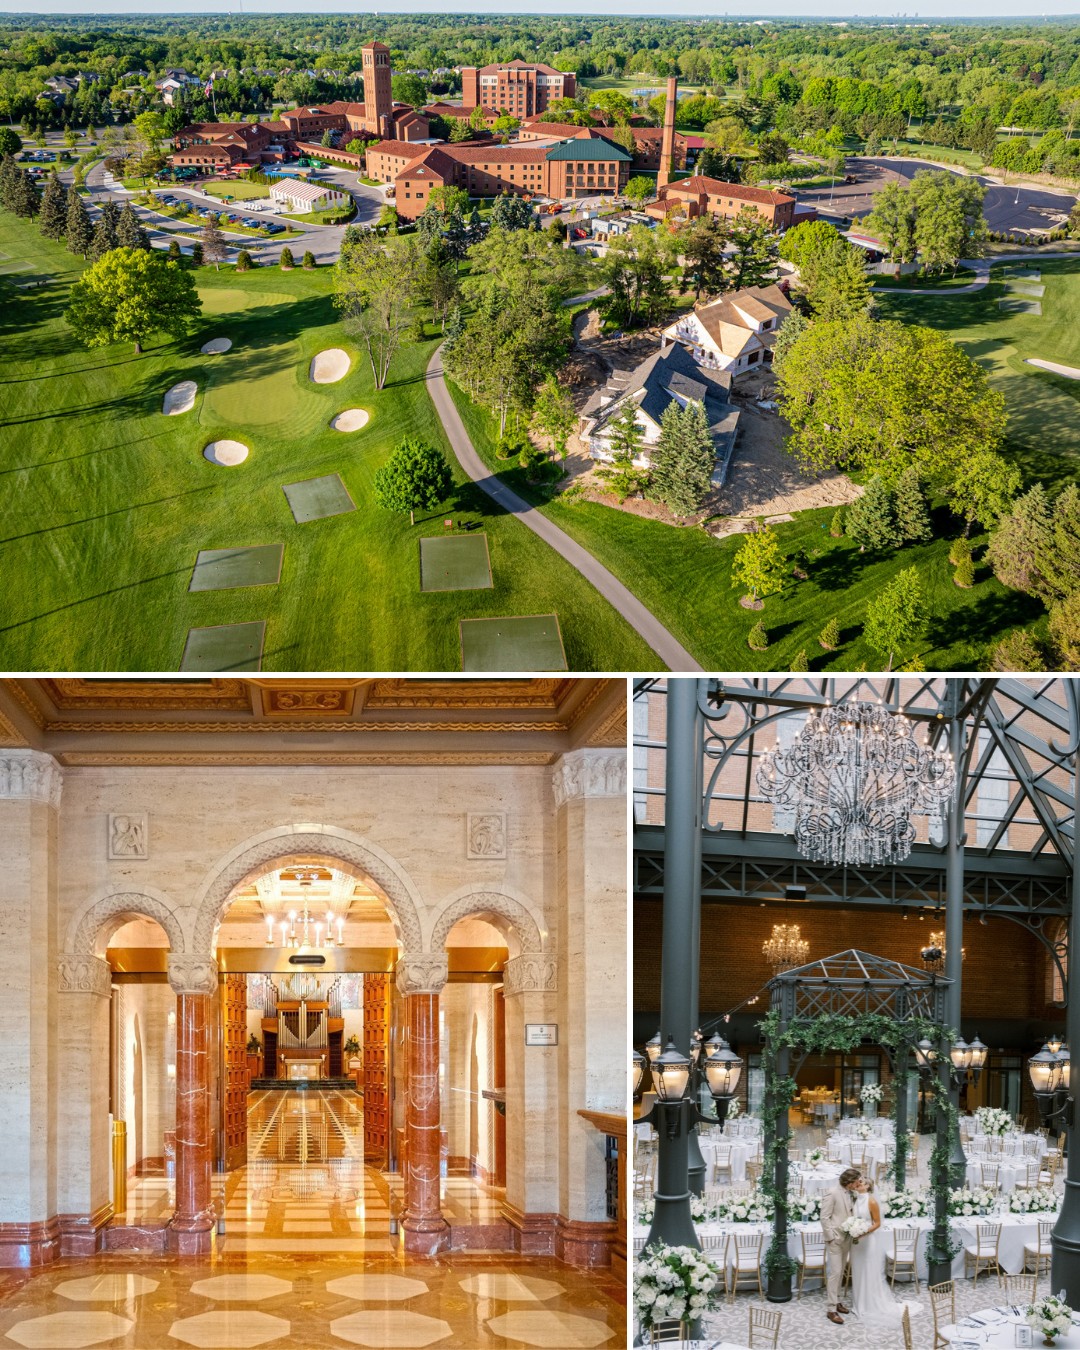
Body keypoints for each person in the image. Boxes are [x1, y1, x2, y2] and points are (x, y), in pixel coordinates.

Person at [849, 1178, 923, 1326]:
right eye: (858, 1182)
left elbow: (877, 1223)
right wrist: (852, 1228)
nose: (858, 1184)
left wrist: (863, 1232)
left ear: (868, 1187)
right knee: (858, 1270)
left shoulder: (871, 1201)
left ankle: (868, 1304)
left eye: (862, 1182)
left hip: (867, 1240)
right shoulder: (857, 1199)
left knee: (868, 1270)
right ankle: (859, 1302)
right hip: (857, 1241)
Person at [820, 1167, 862, 1325]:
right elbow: (824, 1217)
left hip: (847, 1238)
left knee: (841, 1271)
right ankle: (831, 1309)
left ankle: (837, 1301)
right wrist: (831, 1237)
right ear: (849, 1182)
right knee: (835, 1273)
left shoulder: (852, 1193)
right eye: (856, 1182)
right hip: (835, 1240)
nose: (858, 1184)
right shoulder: (832, 1193)